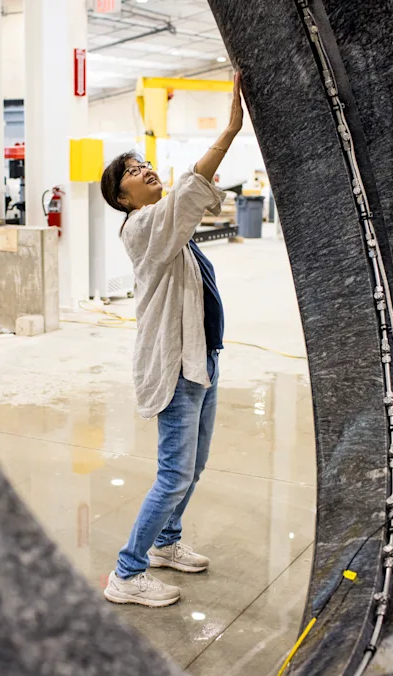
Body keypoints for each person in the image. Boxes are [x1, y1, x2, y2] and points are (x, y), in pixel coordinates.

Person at [98, 74, 245, 607]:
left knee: (194, 466)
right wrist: (230, 129)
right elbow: (189, 190)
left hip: (202, 359)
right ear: (122, 197)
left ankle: (166, 543)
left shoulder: (166, 227)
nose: (145, 171)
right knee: (173, 473)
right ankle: (127, 572)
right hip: (177, 368)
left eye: (143, 164)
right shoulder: (142, 227)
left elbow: (186, 200)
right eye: (133, 173)